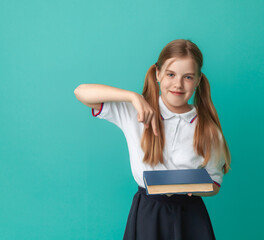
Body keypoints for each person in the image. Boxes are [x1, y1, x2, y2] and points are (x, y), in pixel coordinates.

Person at [74, 39, 231, 240]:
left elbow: (215, 182)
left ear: (198, 80)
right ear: (158, 74)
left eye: (188, 77)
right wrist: (133, 97)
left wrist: (195, 188)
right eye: (171, 74)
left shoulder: (208, 128)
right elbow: (81, 92)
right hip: (147, 213)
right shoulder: (135, 112)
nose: (178, 84)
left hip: (190, 216)